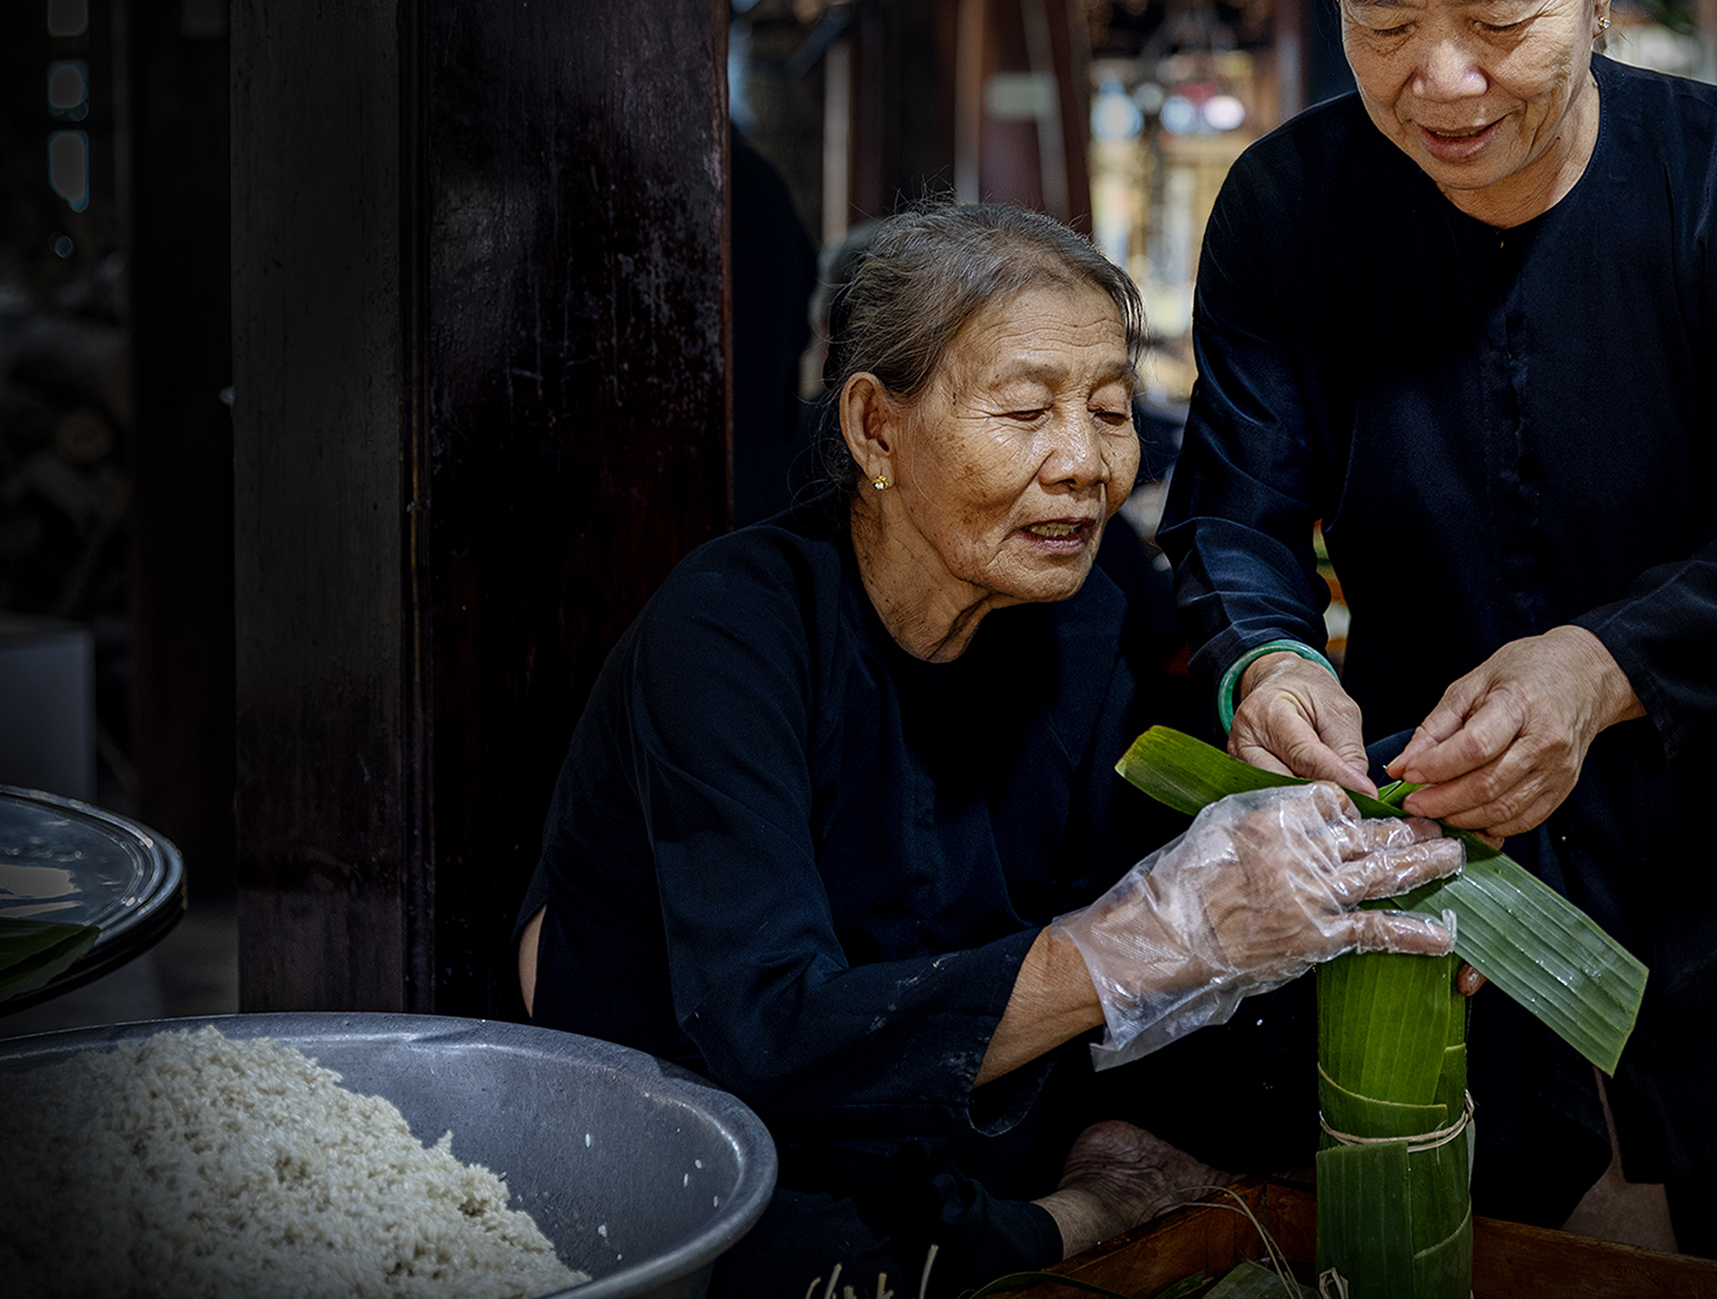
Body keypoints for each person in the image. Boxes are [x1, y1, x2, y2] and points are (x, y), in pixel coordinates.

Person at [1157, 0, 1717, 1286]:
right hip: (1463, 838)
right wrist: (1269, 663)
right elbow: (1230, 513)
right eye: (1383, 20)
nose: (1443, 80)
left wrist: (1602, 665)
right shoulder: (1290, 209)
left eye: (1502, 17)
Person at [513, 204, 1465, 1295]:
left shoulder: (1076, 619)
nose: (1086, 464)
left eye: (1109, 410)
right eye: (1024, 410)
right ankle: (1069, 1221)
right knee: (807, 1252)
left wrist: (1359, 877)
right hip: (718, 1111)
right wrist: (1121, 948)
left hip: (945, 1109)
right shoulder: (730, 629)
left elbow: (1111, 901)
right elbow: (766, 1030)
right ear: (875, 429)